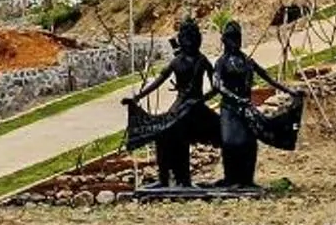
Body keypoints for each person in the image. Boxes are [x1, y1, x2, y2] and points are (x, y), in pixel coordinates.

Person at [210, 19, 302, 191]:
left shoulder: (247, 61)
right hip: (230, 109)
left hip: (246, 109)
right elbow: (217, 85)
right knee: (230, 142)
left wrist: (289, 91)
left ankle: (247, 180)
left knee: (249, 143)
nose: (235, 42)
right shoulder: (221, 62)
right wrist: (235, 98)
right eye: (231, 38)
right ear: (225, 40)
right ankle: (231, 179)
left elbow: (268, 78)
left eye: (237, 38)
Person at [125, 17, 212, 188]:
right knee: (162, 134)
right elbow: (158, 81)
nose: (188, 42)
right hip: (179, 106)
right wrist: (137, 98)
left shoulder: (202, 61)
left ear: (197, 39)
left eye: (191, 38)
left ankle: (185, 180)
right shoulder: (177, 62)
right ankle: (164, 179)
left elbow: (217, 85)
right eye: (185, 38)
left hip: (196, 108)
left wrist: (201, 100)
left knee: (180, 136)